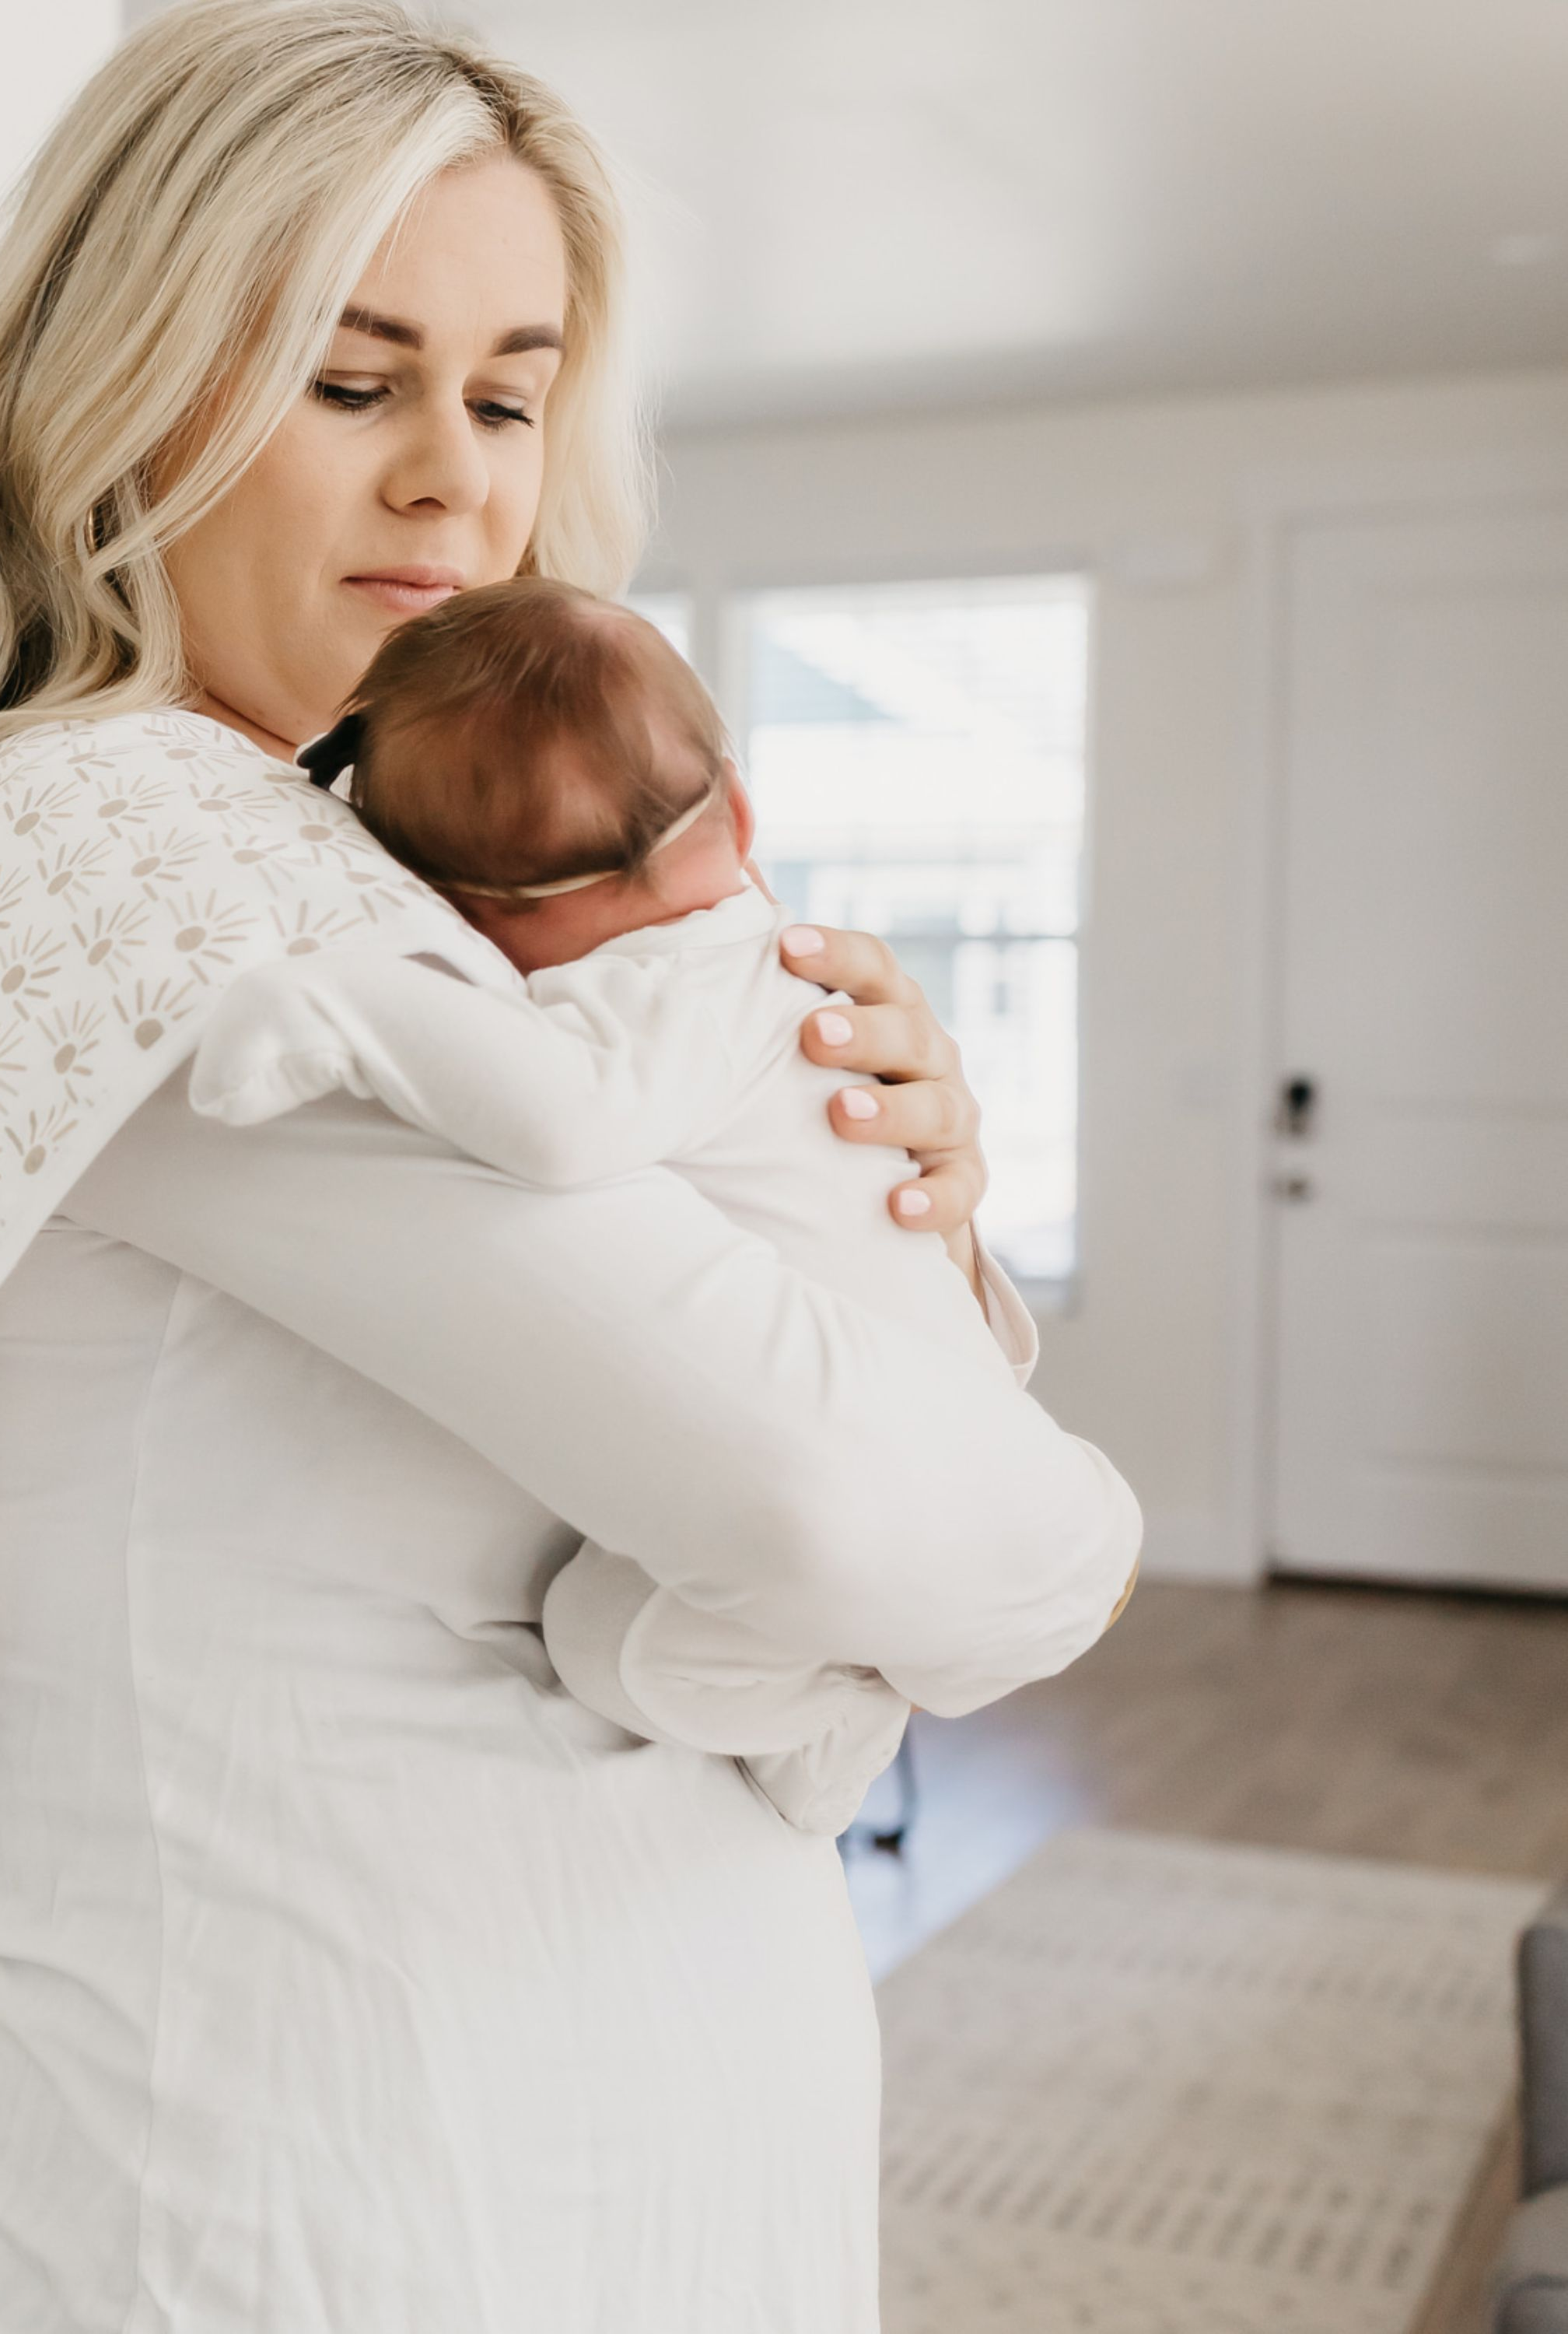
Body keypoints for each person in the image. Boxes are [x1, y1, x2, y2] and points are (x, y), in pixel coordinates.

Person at [0, 6, 1141, 2328]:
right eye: (350, 381)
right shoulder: (166, 893)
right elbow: (872, 1519)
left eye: (506, 397)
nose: (454, 482)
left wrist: (884, 1183)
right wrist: (1080, 1523)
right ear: (122, 389)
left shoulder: (418, 922)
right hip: (325, 2243)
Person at [187, 575, 1138, 1837]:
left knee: (606, 1646)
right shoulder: (784, 968)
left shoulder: (677, 999)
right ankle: (859, 1698)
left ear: (474, 925)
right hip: (996, 1468)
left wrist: (341, 1007)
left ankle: (849, 1702)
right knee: (652, 1639)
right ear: (740, 811)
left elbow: (561, 1123)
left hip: (960, 1495)